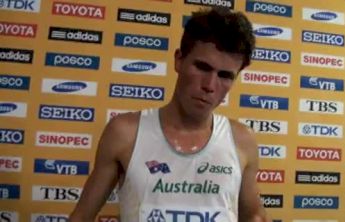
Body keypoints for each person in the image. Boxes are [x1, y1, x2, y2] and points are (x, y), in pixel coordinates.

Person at [70, 6, 269, 222]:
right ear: (179, 60)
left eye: (225, 75)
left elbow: (255, 215)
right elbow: (81, 217)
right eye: (202, 67)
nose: (210, 85)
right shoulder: (125, 133)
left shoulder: (242, 140)